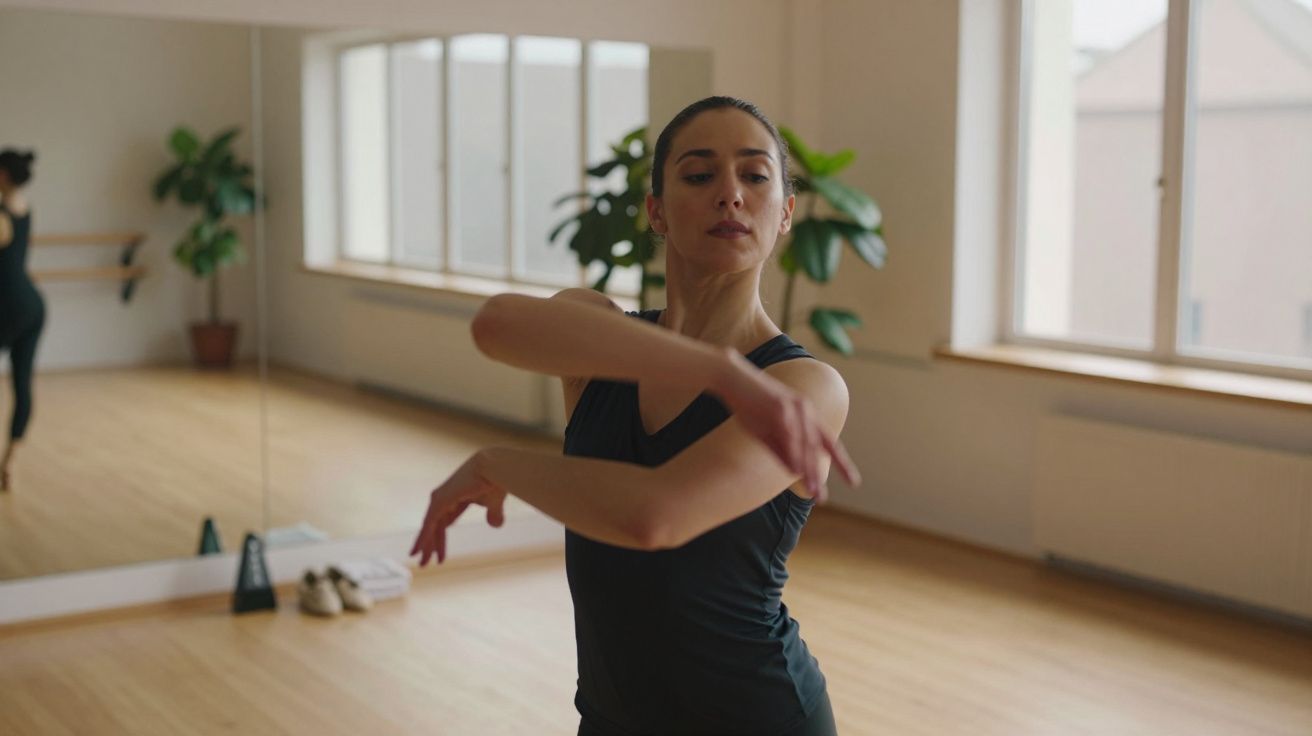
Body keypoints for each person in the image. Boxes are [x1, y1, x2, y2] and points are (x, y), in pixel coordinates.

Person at [411, 96, 859, 736]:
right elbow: (494, 325)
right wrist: (716, 370)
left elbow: (655, 516)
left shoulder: (805, 386)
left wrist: (495, 464)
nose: (729, 194)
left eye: (755, 176)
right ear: (656, 211)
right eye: (700, 175)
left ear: (785, 213)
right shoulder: (597, 335)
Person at [0, 148, 44, 492]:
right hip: (31, 305)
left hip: (7, 307)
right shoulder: (24, 210)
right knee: (23, 384)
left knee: (22, 385)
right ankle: (10, 462)